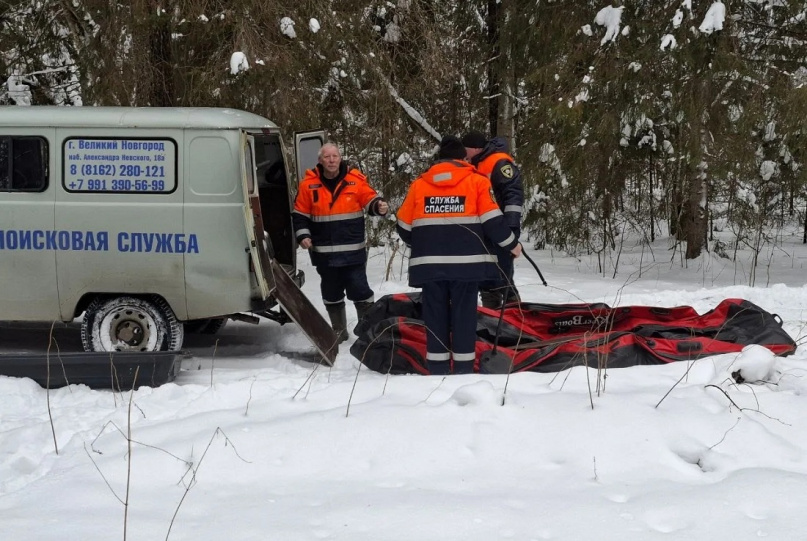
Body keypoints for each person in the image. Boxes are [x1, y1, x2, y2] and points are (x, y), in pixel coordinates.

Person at [396, 135, 522, 375]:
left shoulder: (419, 185)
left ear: (438, 159)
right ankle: (463, 369)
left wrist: (426, 243)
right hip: (467, 267)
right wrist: (511, 245)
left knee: (435, 317)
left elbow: (403, 226)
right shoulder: (476, 181)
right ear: (463, 158)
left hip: (430, 267)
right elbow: (493, 221)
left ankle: (438, 370)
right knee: (464, 317)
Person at [292, 143, 389, 343]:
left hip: (353, 252)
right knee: (331, 292)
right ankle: (338, 331)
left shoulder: (355, 180)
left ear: (340, 158)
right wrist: (303, 236)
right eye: (327, 157)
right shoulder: (308, 185)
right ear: (320, 161)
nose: (331, 160)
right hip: (323, 253)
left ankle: (367, 331)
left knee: (360, 290)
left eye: (335, 156)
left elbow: (370, 199)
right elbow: (299, 215)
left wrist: (378, 206)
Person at [461, 130, 525, 309]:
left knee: (503, 275)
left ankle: (516, 315)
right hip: (483, 228)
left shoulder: (499, 162)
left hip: (500, 227)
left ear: (475, 149)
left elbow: (513, 195)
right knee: (487, 275)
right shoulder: (474, 164)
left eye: (465, 149)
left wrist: (510, 226)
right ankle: (491, 315)